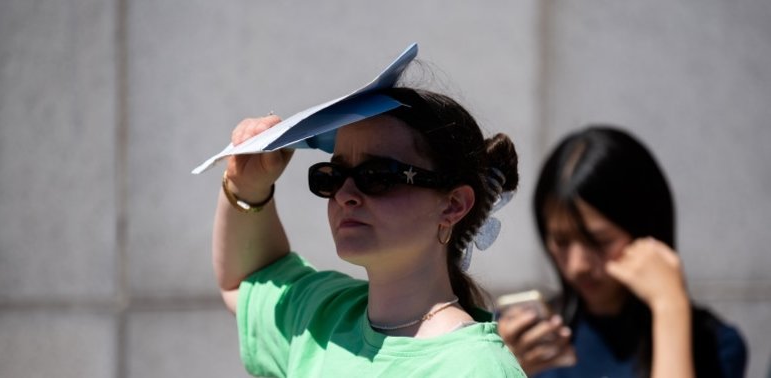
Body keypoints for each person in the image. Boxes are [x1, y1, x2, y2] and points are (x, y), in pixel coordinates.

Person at [212, 86, 526, 376]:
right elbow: (246, 281)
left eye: (376, 175)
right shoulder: (323, 315)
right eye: (332, 175)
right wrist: (247, 185)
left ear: (453, 205)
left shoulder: (476, 368)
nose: (345, 194)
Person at [497, 126, 747, 377]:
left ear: (645, 231)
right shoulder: (525, 338)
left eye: (599, 241)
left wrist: (669, 305)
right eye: (561, 241)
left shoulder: (714, 345)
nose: (577, 265)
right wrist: (503, 367)